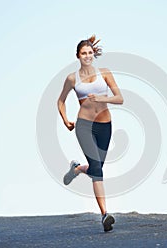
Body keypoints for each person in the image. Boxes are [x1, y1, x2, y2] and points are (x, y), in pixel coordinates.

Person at [57, 35, 124, 232]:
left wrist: (103, 98)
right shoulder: (72, 79)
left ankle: (77, 169)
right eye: (83, 53)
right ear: (78, 56)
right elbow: (60, 101)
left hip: (105, 125)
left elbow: (120, 98)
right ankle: (105, 215)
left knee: (97, 168)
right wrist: (66, 120)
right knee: (98, 171)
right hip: (84, 126)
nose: (87, 56)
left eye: (90, 52)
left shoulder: (105, 73)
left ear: (93, 54)